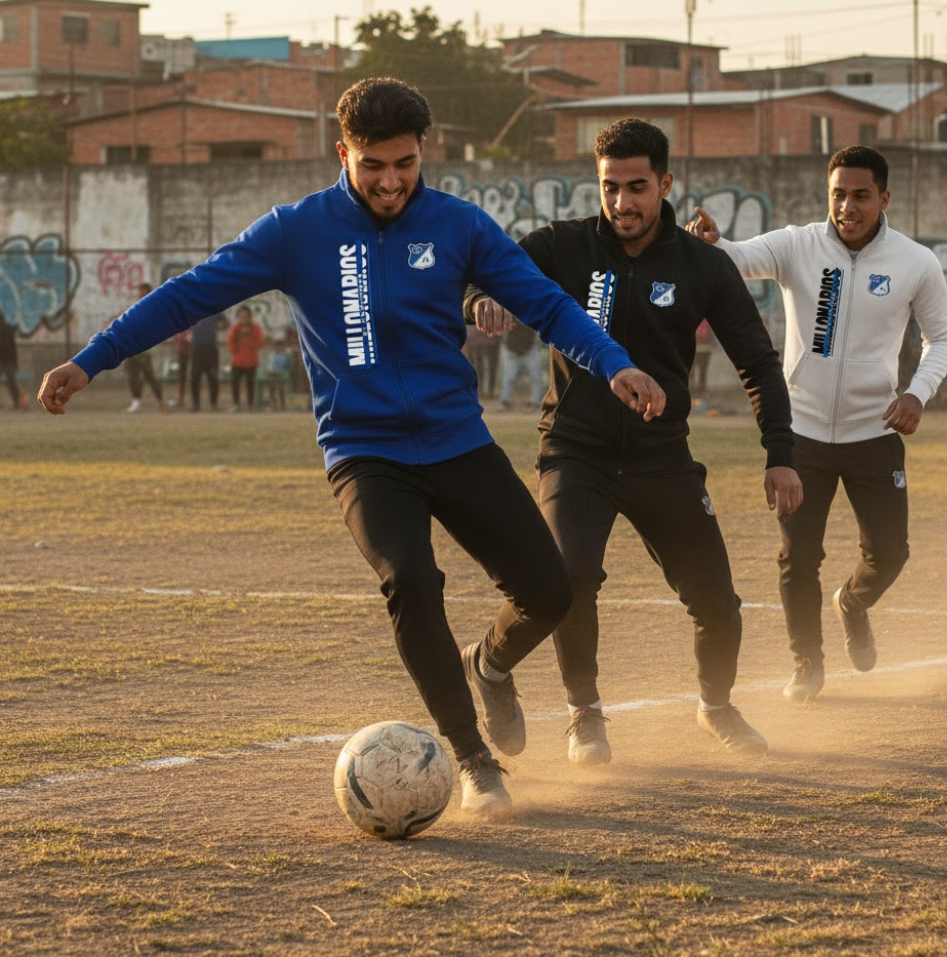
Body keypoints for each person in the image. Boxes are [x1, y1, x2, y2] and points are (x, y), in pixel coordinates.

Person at [37, 77, 665, 819]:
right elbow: (189, 293)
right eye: (374, 165)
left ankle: (489, 665)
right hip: (364, 452)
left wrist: (613, 361)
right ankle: (471, 758)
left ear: (423, 151)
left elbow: (547, 305)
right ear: (344, 154)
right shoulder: (294, 231)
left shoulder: (459, 226)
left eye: (404, 163)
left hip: (457, 441)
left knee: (550, 591)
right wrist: (90, 359)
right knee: (410, 578)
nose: (391, 181)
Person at [466, 118, 801, 764]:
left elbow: (758, 365)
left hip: (661, 458)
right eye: (610, 187)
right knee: (566, 579)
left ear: (665, 183)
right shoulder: (561, 246)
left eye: (637, 186)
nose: (623, 202)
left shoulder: (703, 266)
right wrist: (479, 298)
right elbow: (480, 273)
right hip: (575, 449)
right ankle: (571, 709)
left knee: (718, 604)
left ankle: (716, 706)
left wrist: (780, 456)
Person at [688, 145, 947, 702]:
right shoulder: (797, 245)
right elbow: (736, 257)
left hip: (875, 432)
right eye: (838, 194)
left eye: (860, 196)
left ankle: (852, 604)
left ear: (884, 197)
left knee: (890, 553)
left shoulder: (916, 262)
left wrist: (916, 392)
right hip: (800, 432)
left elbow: (943, 338)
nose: (847, 207)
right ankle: (806, 664)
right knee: (798, 556)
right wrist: (713, 244)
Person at [121, 282, 167, 413]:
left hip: (145, 348)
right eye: (140, 291)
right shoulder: (135, 306)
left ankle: (160, 401)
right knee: (132, 376)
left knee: (149, 376)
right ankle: (136, 401)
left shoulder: (153, 306)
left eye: (143, 291)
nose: (141, 294)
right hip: (132, 346)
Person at [498, 322, 546, 410]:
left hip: (530, 351)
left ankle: (535, 401)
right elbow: (505, 338)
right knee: (509, 378)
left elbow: (537, 335)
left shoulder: (531, 316)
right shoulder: (511, 317)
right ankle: (504, 401)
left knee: (536, 377)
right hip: (513, 351)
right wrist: (508, 350)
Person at [227, 305, 265, 412]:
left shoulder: (255, 328)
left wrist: (250, 336)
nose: (243, 318)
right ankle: (235, 404)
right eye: (241, 316)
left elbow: (261, 343)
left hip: (251, 361)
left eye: (246, 316)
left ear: (250, 317)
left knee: (250, 384)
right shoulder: (235, 328)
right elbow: (230, 344)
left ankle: (250, 404)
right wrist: (239, 339)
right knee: (235, 383)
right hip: (237, 361)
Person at [189, 311, 227, 411]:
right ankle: (195, 404)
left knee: (213, 377)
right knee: (195, 377)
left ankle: (213, 404)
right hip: (197, 348)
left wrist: (218, 328)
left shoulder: (214, 308)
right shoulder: (193, 308)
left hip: (211, 348)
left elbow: (226, 322)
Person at [0, 308, 29, 411]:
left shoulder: (8, 330)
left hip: (8, 361)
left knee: (12, 383)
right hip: (4, 361)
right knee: (11, 382)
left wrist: (14, 362)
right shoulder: (8, 329)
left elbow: (10, 347)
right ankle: (18, 403)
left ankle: (18, 403)